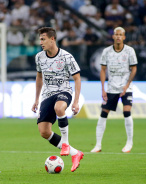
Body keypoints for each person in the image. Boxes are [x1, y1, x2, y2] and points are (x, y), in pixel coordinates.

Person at [31, 27, 84, 172]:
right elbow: (39, 77)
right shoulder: (39, 57)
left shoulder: (67, 57)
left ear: (52, 39)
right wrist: (36, 99)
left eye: (43, 39)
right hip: (47, 94)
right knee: (44, 132)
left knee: (59, 108)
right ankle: (76, 153)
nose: (40, 42)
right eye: (40, 39)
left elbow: (77, 78)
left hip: (63, 91)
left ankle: (65, 143)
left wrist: (76, 101)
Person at [90, 27, 137, 153]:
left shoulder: (129, 51)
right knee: (103, 113)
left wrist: (127, 85)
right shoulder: (106, 51)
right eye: (116, 34)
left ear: (124, 37)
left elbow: (134, 68)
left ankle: (129, 142)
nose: (118, 37)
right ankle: (98, 145)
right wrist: (103, 89)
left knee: (127, 111)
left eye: (120, 35)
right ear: (113, 36)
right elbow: (103, 70)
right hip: (111, 87)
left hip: (126, 87)